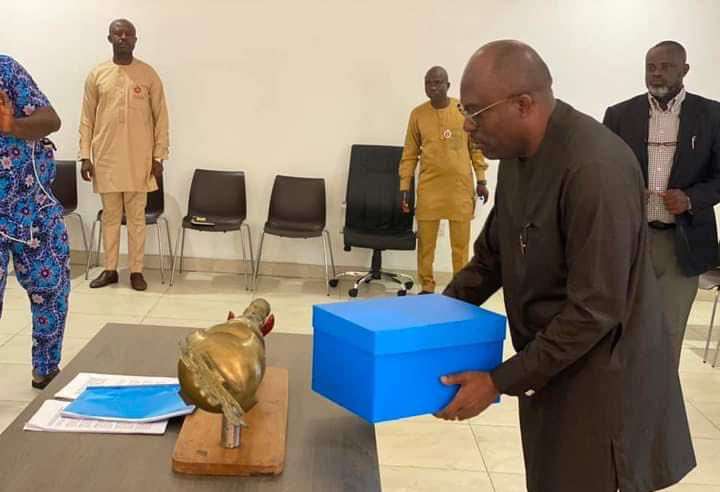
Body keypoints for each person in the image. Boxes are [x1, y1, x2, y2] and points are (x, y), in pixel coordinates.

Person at [436, 40, 695, 492]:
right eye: (464, 109)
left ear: (523, 104)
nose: (466, 125)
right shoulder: (517, 156)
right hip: (550, 365)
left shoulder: (595, 169)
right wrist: (430, 318)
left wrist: (497, 381)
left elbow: (594, 310)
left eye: (476, 112)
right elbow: (492, 258)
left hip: (604, 382)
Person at [603, 41, 720, 367]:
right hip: (631, 241)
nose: (657, 73)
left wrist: (691, 198)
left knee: (669, 333)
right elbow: (601, 172)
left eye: (666, 66)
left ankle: (661, 395)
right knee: (623, 328)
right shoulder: (619, 115)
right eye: (651, 67)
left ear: (685, 70)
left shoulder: (712, 115)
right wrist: (624, 192)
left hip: (682, 244)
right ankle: (624, 392)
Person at [79, 18, 169, 291]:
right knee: (110, 217)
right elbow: (87, 118)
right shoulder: (98, 74)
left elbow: (161, 118)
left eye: (128, 34)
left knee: (137, 219)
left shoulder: (148, 74)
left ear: (135, 40)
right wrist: (85, 155)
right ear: (109, 39)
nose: (123, 38)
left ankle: (136, 271)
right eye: (118, 34)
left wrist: (159, 156)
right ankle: (110, 269)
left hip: (140, 159)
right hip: (106, 158)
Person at [0, 55, 69, 389]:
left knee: (51, 290)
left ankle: (46, 368)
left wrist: (13, 125)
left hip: (34, 208)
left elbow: (51, 120)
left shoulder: (5, 70)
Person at [399, 66, 488, 294]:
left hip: (460, 189)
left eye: (438, 82)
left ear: (448, 86)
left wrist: (481, 180)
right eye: (428, 83)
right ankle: (427, 287)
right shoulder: (418, 115)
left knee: (460, 246)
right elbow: (409, 153)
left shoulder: (462, 111)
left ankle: (459, 290)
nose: (433, 87)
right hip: (430, 189)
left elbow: (476, 148)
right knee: (425, 245)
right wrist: (405, 186)